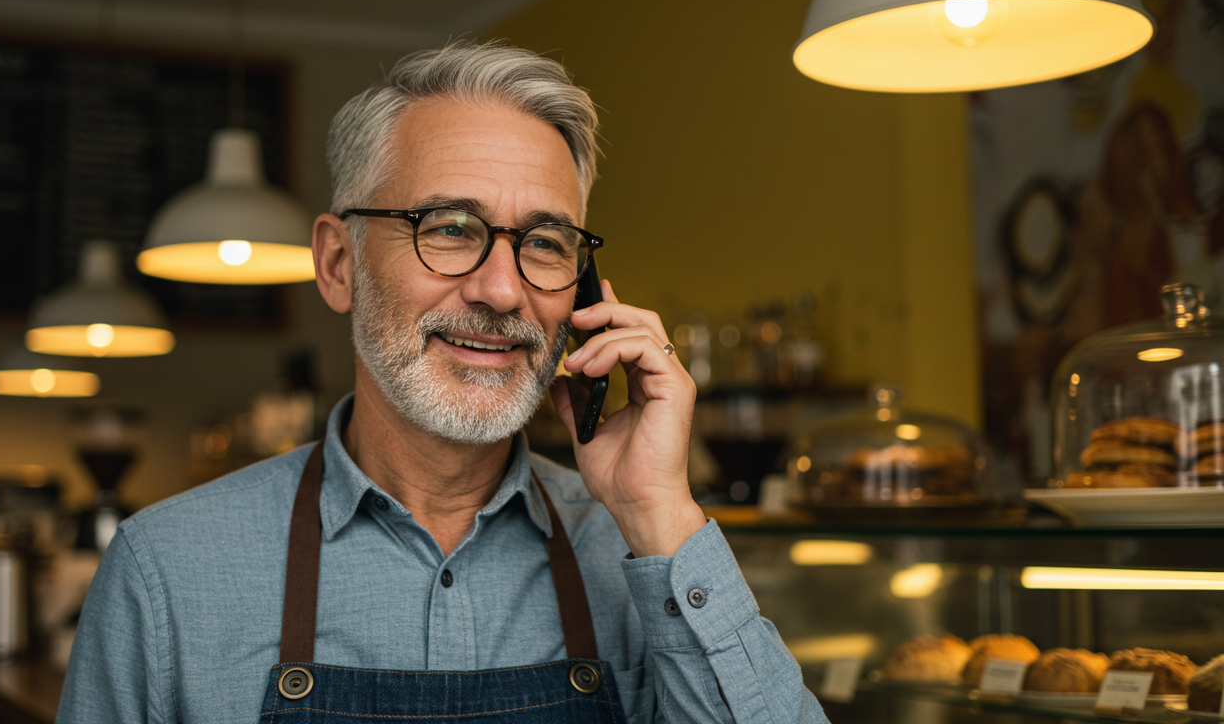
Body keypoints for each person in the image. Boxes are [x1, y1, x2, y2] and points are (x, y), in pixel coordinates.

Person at [58, 40, 827, 724]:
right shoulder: (167, 570)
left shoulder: (636, 551)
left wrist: (660, 514)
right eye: (451, 229)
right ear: (338, 265)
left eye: (546, 242)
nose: (501, 291)